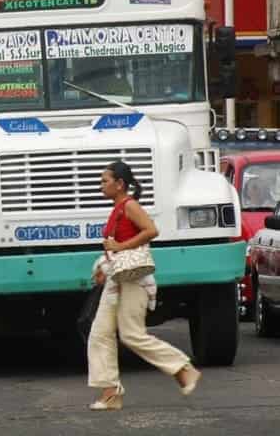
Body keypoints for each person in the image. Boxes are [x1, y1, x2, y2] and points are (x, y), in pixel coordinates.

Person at [87, 160, 201, 410]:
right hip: (117, 279)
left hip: (135, 279)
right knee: (99, 334)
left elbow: (151, 230)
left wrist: (120, 247)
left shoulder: (129, 206)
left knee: (131, 335)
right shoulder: (117, 208)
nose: (101, 186)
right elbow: (116, 247)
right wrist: (103, 268)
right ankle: (110, 393)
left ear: (120, 184)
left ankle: (183, 369)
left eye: (105, 181)